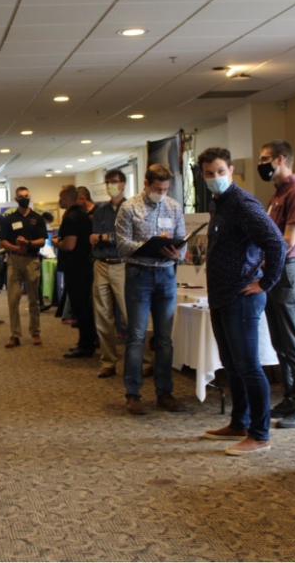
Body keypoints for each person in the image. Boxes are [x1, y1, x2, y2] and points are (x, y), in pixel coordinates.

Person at [198, 147, 286, 456]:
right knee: (231, 364)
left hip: (242, 297)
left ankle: (259, 434)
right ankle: (239, 423)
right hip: (221, 296)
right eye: (209, 174)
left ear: (231, 170)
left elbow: (276, 242)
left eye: (220, 172)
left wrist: (266, 282)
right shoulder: (218, 204)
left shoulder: (243, 203)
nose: (215, 178)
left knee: (248, 366)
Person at [115, 164, 186, 415]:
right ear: (146, 184)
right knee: (136, 336)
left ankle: (164, 392)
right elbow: (121, 243)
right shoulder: (129, 207)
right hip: (139, 274)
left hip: (166, 274)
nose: (162, 192)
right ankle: (133, 394)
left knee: (165, 338)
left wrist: (178, 252)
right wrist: (145, 247)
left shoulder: (174, 207)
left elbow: (183, 242)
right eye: (157, 188)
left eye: (165, 189)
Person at [258, 139, 295, 429]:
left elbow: (289, 240)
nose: (262, 164)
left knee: (293, 342)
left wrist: (260, 254)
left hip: (288, 270)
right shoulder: (276, 195)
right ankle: (291, 399)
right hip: (272, 271)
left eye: (265, 158)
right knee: (280, 342)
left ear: (281, 159)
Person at [90, 169, 128, 378]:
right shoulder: (100, 211)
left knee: (130, 315)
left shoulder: (131, 208)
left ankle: (144, 360)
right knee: (103, 315)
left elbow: (125, 237)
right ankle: (108, 361)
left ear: (123, 184)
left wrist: (103, 237)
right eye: (108, 182)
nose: (110, 185)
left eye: (114, 182)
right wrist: (103, 237)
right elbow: (93, 237)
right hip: (101, 264)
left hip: (122, 264)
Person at [53, 185, 97, 359]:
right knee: (84, 306)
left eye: (60, 197)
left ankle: (86, 346)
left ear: (66, 197)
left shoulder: (71, 218)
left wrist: (57, 243)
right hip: (85, 266)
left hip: (76, 268)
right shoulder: (82, 216)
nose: (59, 201)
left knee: (81, 308)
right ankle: (86, 342)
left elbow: (69, 245)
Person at [0, 187, 46, 347]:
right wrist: (15, 248)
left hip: (32, 260)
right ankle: (14, 334)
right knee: (13, 299)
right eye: (21, 196)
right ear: (16, 198)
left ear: (30, 196)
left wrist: (28, 243)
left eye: (26, 196)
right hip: (14, 260)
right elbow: (2, 241)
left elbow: (42, 240)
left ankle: (35, 332)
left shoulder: (37, 218)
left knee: (34, 299)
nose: (24, 198)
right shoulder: (9, 219)